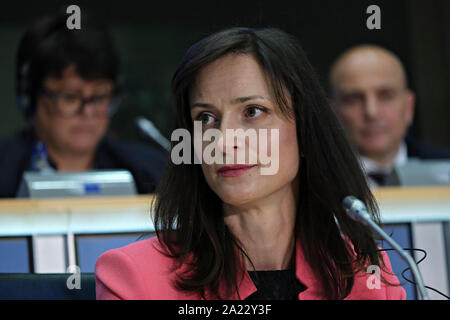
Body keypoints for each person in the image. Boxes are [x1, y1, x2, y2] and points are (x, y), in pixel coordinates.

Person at [95, 27, 405, 300]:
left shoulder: (367, 271)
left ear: (304, 127)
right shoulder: (134, 277)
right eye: (205, 118)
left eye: (253, 111)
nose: (223, 140)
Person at [0, 11, 167, 197]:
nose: (88, 112)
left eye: (99, 97)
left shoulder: (151, 171)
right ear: (30, 99)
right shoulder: (5, 170)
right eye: (70, 97)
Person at [329, 44, 450, 187]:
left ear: (408, 107)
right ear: (333, 112)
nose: (371, 112)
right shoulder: (315, 180)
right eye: (354, 99)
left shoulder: (444, 169)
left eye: (386, 96)